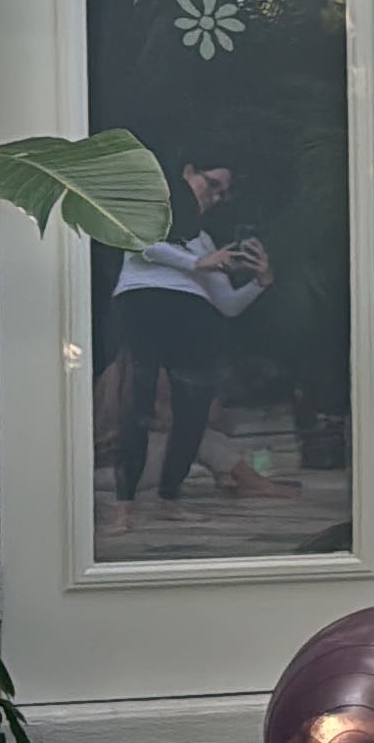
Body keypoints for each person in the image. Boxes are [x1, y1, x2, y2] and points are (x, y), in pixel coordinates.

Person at [109, 160, 274, 506]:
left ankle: (170, 497)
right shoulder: (152, 211)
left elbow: (227, 303)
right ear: (187, 174)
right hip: (145, 302)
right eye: (213, 184)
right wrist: (196, 263)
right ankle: (124, 503)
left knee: (194, 405)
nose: (216, 196)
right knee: (139, 397)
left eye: (223, 194)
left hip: (193, 314)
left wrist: (260, 283)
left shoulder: (204, 241)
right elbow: (139, 240)